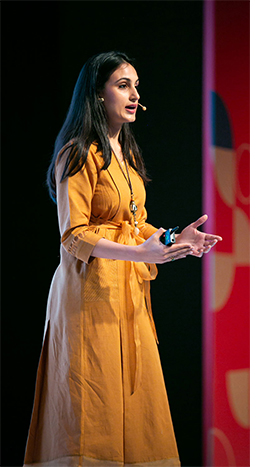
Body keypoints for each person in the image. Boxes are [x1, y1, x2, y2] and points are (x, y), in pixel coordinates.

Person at [26, 52, 222, 465]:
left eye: (136, 86)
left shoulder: (127, 154)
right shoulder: (77, 153)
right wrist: (138, 251)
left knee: (137, 398)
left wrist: (172, 237)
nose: (135, 95)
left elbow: (136, 221)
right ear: (98, 95)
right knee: (92, 402)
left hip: (127, 292)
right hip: (87, 293)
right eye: (122, 85)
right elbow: (73, 236)